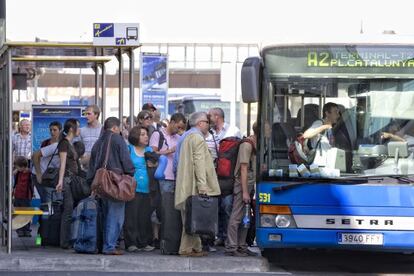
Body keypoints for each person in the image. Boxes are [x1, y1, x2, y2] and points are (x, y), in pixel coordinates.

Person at [175, 111, 221, 257]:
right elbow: (200, 164)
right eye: (207, 122)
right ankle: (186, 249)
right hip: (194, 185)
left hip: (184, 182)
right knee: (194, 217)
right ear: (200, 123)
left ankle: (196, 247)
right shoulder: (198, 139)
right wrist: (203, 186)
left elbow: (176, 162)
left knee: (189, 217)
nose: (208, 125)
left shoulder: (185, 137)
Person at [87, 117, 135, 255]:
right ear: (115, 128)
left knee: (104, 215)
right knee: (115, 216)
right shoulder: (117, 139)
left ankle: (102, 245)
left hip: (99, 183)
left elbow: (92, 164)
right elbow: (126, 161)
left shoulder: (98, 141)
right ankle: (109, 246)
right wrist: (130, 173)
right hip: (114, 183)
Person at [149, 112, 187, 248]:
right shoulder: (158, 135)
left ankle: (169, 238)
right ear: (172, 122)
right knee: (163, 209)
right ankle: (159, 238)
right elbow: (152, 153)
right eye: (178, 127)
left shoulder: (179, 137)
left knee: (172, 210)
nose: (179, 130)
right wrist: (169, 151)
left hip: (176, 177)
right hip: (163, 176)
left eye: (182, 128)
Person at [206, 107, 241, 248]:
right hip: (213, 176)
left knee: (227, 206)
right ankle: (219, 235)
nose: (208, 118)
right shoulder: (208, 133)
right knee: (216, 208)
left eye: (210, 116)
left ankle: (227, 236)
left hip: (228, 177)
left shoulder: (233, 131)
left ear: (217, 116)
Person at [225, 122, 258, 257]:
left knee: (246, 217)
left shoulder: (256, 143)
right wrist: (244, 191)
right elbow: (243, 169)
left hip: (250, 185)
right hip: (242, 185)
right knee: (237, 216)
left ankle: (242, 245)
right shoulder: (247, 144)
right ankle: (232, 247)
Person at [124, 125, 155, 253]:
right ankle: (131, 242)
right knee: (131, 216)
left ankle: (144, 242)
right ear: (135, 136)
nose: (146, 136)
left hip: (147, 189)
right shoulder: (129, 149)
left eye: (146, 134)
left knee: (144, 217)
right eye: (142, 134)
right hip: (132, 188)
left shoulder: (149, 150)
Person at [55, 119, 81, 249]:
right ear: (72, 129)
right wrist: (60, 181)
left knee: (70, 209)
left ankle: (67, 239)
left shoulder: (69, 143)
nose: (79, 129)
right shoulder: (64, 144)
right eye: (78, 127)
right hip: (66, 180)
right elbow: (63, 164)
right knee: (68, 209)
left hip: (71, 180)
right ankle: (64, 241)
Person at [302, 102, 340, 167]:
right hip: (319, 164)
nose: (338, 115)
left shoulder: (333, 127)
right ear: (327, 113)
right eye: (335, 112)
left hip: (328, 163)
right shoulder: (319, 123)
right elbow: (306, 135)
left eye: (338, 112)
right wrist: (325, 127)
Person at [13, 156, 33, 237]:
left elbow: (31, 184)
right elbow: (13, 175)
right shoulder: (18, 172)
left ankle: (27, 229)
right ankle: (20, 229)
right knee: (18, 214)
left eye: (17, 167)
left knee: (26, 213)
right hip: (17, 195)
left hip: (26, 196)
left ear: (22, 167)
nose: (16, 168)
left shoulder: (30, 173)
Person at [80, 105, 102, 170]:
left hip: (99, 168)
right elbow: (77, 148)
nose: (86, 116)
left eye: (89, 114)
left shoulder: (103, 130)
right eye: (85, 114)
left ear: (96, 115)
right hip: (84, 168)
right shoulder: (81, 130)